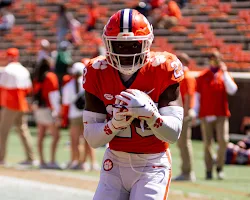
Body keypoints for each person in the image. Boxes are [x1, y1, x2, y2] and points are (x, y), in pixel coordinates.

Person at [82, 9, 184, 199]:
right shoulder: (97, 71)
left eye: (133, 45)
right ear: (107, 44)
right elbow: (92, 139)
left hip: (152, 163)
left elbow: (173, 133)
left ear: (147, 43)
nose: (126, 53)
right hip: (114, 163)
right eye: (119, 46)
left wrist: (152, 116)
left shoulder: (163, 68)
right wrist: (114, 124)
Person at [194, 50, 238, 180]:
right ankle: (208, 169)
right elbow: (198, 96)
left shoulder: (223, 75)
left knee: (223, 140)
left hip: (221, 114)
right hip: (206, 114)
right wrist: (195, 112)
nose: (214, 62)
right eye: (212, 59)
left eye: (216, 59)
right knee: (207, 143)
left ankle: (219, 166)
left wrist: (224, 73)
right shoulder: (203, 76)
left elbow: (233, 90)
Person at [0, 48, 35, 166]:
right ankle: (31, 157)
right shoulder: (24, 70)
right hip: (22, 104)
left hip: (10, 104)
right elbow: (28, 89)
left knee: (3, 132)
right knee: (23, 130)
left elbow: (2, 86)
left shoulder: (7, 70)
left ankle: (1, 158)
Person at [62, 62, 98, 170]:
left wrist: (63, 118)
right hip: (87, 114)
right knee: (89, 140)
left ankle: (76, 161)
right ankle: (92, 162)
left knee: (75, 140)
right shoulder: (88, 84)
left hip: (74, 115)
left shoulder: (68, 86)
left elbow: (65, 103)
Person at [32, 58, 61, 169]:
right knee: (56, 136)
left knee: (41, 135)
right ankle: (52, 160)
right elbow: (53, 95)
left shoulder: (37, 77)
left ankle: (42, 161)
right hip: (48, 109)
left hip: (39, 109)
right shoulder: (50, 76)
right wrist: (57, 112)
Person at [174, 53, 196, 182]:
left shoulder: (186, 77)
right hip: (183, 112)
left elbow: (188, 97)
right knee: (182, 144)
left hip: (184, 113)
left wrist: (185, 114)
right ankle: (185, 171)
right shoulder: (186, 76)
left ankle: (187, 172)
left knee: (184, 143)